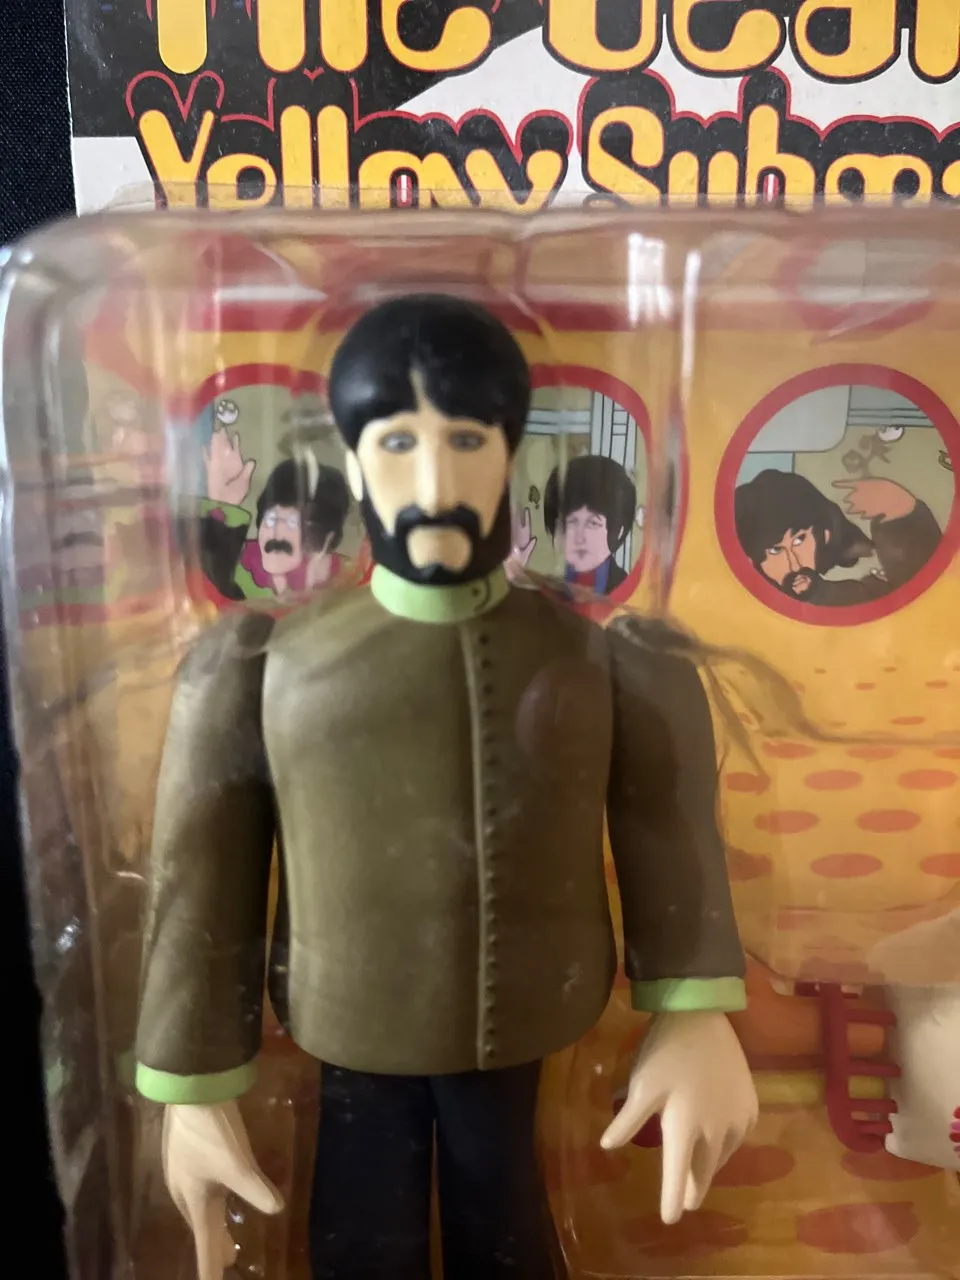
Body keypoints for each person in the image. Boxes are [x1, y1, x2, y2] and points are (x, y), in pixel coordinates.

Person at [135, 295, 757, 1280]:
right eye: (397, 442)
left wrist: (693, 1011)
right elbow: (201, 878)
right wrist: (191, 1085)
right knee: (358, 1228)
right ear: (352, 462)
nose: (433, 482)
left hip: (532, 1010)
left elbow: (662, 826)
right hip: (345, 1016)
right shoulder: (265, 666)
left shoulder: (600, 659)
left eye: (465, 440)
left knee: (504, 1215)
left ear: (509, 453)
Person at [734, 468, 942, 606]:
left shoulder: (844, 595)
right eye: (776, 550)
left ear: (824, 535)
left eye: (799, 540)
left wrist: (903, 514)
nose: (794, 563)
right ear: (750, 557)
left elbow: (923, 602)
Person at [197, 434, 351, 600]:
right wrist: (223, 502)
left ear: (323, 537)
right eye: (270, 520)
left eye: (291, 523)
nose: (276, 533)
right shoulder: (239, 567)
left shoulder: (347, 581)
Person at [538, 454, 638, 594]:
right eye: (572, 522)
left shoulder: (627, 589)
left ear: (618, 531)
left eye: (592, 523)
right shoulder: (547, 587)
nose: (580, 538)